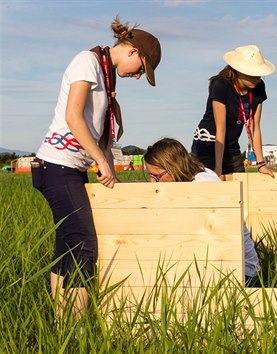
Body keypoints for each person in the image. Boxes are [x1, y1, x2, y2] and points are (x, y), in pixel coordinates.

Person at [31, 17, 161, 318]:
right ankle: (76, 331)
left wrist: (109, 161)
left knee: (66, 246)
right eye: (142, 69)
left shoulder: (106, 76)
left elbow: (98, 132)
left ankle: (62, 324)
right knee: (83, 246)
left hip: (71, 169)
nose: (139, 76)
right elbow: (73, 116)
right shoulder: (86, 61)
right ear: (132, 52)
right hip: (56, 165)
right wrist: (101, 161)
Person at [144, 138, 261, 287]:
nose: (152, 183)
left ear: (173, 168)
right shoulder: (197, 176)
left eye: (156, 177)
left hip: (242, 273)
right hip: (229, 269)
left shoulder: (202, 186)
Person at [191, 45, 276, 179]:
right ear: (238, 71)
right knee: (210, 191)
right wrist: (218, 168)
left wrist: (261, 164)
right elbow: (221, 128)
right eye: (253, 74)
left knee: (238, 190)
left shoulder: (259, 87)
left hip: (231, 148)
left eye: (259, 73)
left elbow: (255, 128)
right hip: (208, 145)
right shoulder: (220, 85)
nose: (258, 78)